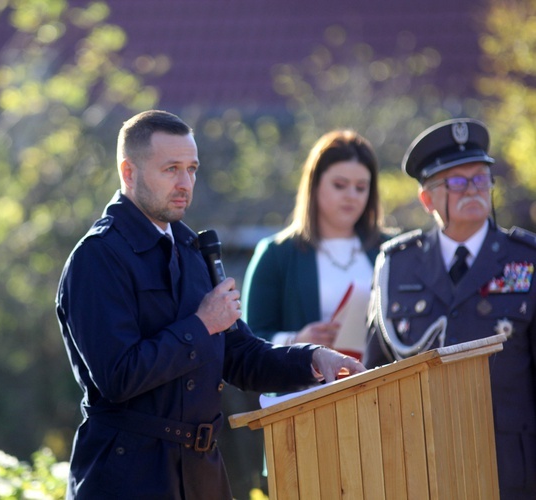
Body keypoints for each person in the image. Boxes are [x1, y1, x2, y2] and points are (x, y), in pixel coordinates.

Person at [55, 110, 366, 500]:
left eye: (192, 169)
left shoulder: (191, 250)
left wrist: (312, 359)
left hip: (202, 476)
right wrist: (201, 326)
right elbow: (119, 377)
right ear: (128, 172)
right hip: (127, 478)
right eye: (171, 169)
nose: (185, 183)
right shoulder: (97, 257)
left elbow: (242, 357)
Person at [363, 118, 536, 499]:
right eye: (457, 182)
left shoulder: (525, 259)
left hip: (509, 470)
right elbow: (374, 374)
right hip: (420, 466)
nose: (472, 190)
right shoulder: (397, 263)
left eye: (481, 179)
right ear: (427, 200)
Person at [242, 130, 389, 354]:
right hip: (306, 387)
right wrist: (296, 339)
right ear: (314, 185)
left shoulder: (391, 250)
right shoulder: (276, 254)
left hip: (380, 384)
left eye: (361, 187)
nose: (352, 195)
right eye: (340, 185)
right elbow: (249, 340)